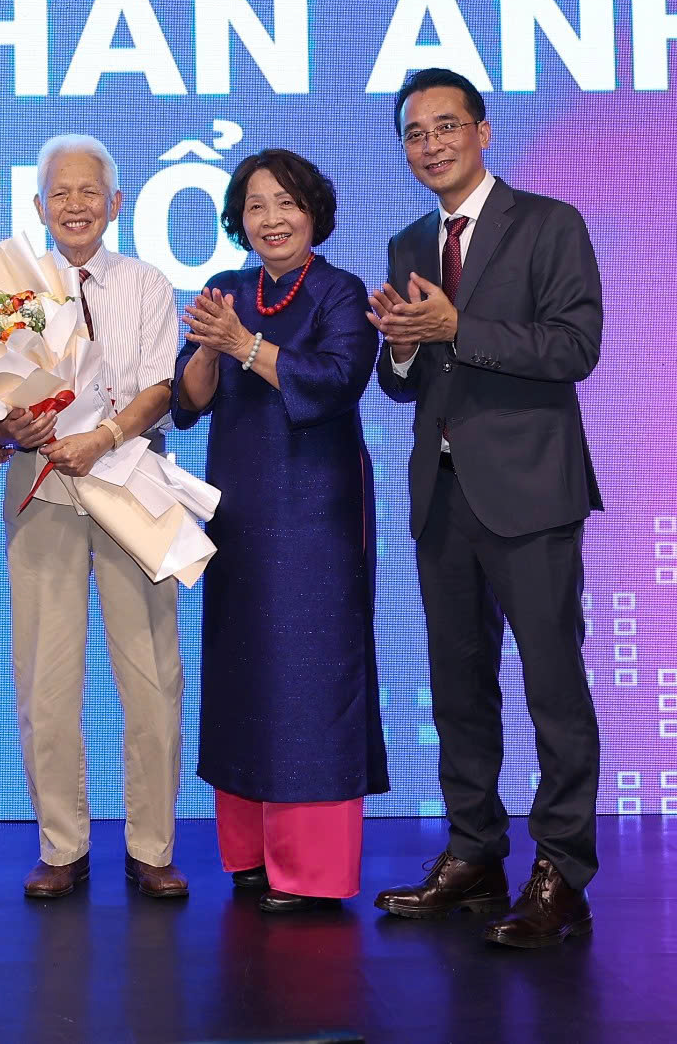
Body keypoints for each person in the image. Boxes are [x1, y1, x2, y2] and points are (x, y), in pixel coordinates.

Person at [368, 67, 606, 950]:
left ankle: (563, 871)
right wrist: (401, 349)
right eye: (415, 133)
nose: (430, 144)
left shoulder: (549, 223)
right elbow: (406, 382)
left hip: (532, 493)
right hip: (444, 497)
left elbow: (575, 346)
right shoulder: (407, 243)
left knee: (553, 689)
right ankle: (474, 852)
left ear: (482, 131)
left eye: (445, 126)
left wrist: (457, 328)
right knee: (459, 691)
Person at [0, 135, 189, 901]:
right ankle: (62, 845)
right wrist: (7, 425)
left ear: (116, 203)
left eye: (91, 191)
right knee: (45, 678)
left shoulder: (147, 282)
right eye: (61, 191)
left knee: (152, 674)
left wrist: (106, 435)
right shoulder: (8, 293)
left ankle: (153, 846)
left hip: (130, 479)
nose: (76, 204)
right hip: (43, 481)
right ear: (38, 205)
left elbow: (161, 388)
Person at [172, 146, 387, 912]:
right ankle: (251, 854)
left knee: (310, 676)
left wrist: (245, 345)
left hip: (316, 515)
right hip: (239, 511)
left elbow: (334, 382)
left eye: (286, 203)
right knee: (244, 674)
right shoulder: (228, 291)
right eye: (256, 205)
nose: (271, 218)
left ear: (314, 211)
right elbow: (188, 400)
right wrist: (209, 346)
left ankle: (312, 869)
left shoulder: (339, 290)